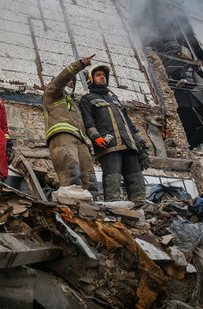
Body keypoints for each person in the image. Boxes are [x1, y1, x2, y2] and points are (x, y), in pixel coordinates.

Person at [79, 64, 150, 202]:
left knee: (136, 178)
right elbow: (88, 122)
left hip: (129, 145)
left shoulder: (115, 100)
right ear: (90, 79)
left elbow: (130, 125)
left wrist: (140, 143)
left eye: (104, 75)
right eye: (98, 75)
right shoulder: (87, 99)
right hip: (109, 146)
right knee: (113, 178)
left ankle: (141, 205)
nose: (102, 77)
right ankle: (114, 206)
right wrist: (96, 138)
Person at [43, 55, 99, 198]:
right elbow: (60, 79)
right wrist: (79, 65)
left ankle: (93, 213)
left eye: (73, 82)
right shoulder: (51, 93)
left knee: (90, 180)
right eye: (69, 80)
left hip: (80, 141)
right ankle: (74, 212)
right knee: (71, 176)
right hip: (62, 138)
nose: (71, 83)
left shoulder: (74, 104)